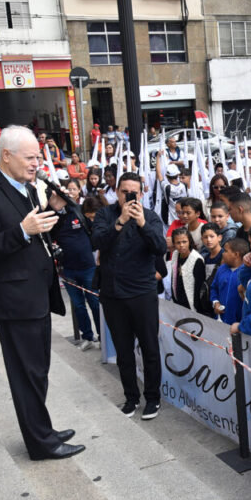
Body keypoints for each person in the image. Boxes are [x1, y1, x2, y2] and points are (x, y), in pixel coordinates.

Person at [0, 126, 83, 460]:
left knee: (39, 369)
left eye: (37, 157)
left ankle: (41, 428)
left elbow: (40, 233)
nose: (37, 163)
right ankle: (41, 443)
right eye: (30, 157)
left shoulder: (29, 188)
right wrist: (22, 231)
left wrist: (55, 213)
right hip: (14, 301)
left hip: (36, 293)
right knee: (26, 373)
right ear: (7, 155)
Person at [91, 171, 167, 420]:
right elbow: (97, 241)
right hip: (113, 293)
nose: (129, 196)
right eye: (124, 191)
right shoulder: (105, 214)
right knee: (123, 350)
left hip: (142, 293)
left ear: (142, 194)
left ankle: (153, 398)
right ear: (117, 191)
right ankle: (131, 397)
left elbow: (159, 246)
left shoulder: (152, 217)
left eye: (134, 192)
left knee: (149, 348)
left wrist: (142, 223)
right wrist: (120, 222)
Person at [47, 182, 100, 350]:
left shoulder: (79, 210)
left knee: (95, 303)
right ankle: (87, 336)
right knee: (78, 305)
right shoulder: (52, 216)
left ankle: (102, 337)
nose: (68, 193)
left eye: (72, 190)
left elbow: (95, 230)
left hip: (88, 267)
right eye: (66, 190)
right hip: (68, 269)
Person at [166, 227, 211, 316]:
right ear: (174, 244)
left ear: (189, 241)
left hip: (191, 306)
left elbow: (198, 288)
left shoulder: (196, 260)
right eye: (178, 243)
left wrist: (196, 309)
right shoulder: (175, 254)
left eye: (184, 242)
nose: (181, 245)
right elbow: (173, 278)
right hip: (178, 303)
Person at [210, 237, 248, 324]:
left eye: (226, 251)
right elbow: (214, 288)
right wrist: (215, 302)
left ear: (236, 254)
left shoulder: (248, 273)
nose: (223, 254)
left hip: (239, 324)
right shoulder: (221, 269)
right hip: (220, 321)